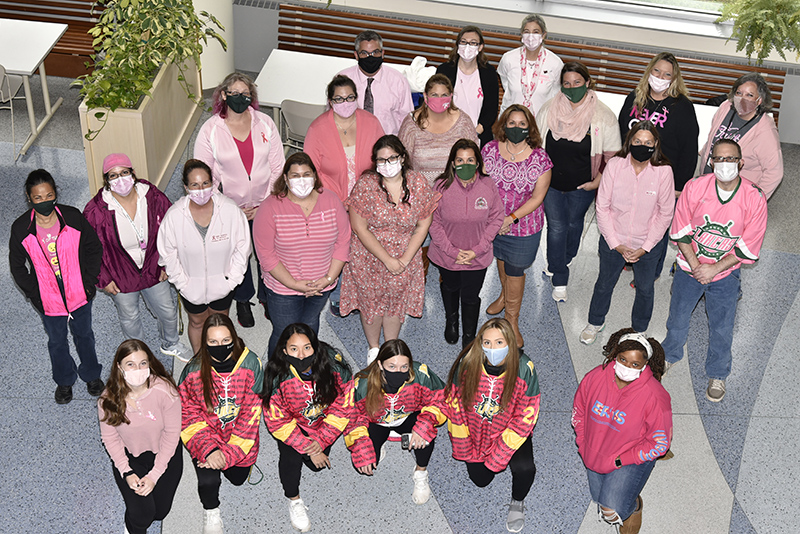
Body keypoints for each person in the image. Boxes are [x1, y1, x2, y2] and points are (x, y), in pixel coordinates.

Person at [661, 139, 767, 402]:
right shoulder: (695, 187)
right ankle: (669, 355)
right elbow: (680, 231)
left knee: (722, 326)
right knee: (677, 318)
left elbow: (748, 246)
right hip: (690, 269)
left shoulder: (754, 198)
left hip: (725, 274)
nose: (724, 164)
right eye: (719, 159)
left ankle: (718, 373)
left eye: (731, 159)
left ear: (741, 163)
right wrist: (698, 267)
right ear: (711, 162)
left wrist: (714, 269)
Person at [194, 72, 285, 328]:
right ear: (223, 95)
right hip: (230, 207)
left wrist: (265, 203)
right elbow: (203, 176)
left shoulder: (265, 123)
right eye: (234, 93)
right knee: (238, 256)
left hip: (266, 204)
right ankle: (243, 299)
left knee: (267, 252)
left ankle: (268, 296)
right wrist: (230, 207)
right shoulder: (210, 129)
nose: (240, 98)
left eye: (245, 94)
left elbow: (278, 167)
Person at [339, 135, 440, 364]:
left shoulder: (418, 183)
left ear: (402, 158)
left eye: (392, 158)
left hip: (405, 254)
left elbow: (424, 223)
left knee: (395, 305)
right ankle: (374, 348)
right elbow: (359, 227)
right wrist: (387, 259)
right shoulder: (366, 185)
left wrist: (404, 259)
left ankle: (390, 347)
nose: (386, 164)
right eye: (381, 160)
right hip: (368, 256)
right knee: (371, 304)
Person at [9, 169, 104, 404]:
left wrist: (89, 282)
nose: (44, 202)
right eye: (38, 198)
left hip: (79, 294)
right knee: (57, 342)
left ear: (55, 194)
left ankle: (91, 375)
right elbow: (17, 266)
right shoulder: (21, 228)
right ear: (29, 198)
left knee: (85, 336)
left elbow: (94, 248)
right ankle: (64, 380)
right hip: (48, 300)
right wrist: (35, 295)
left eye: (49, 195)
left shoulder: (72, 217)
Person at [84, 153, 190, 362]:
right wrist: (103, 280)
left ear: (133, 174)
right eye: (113, 176)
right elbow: (88, 251)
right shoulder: (95, 211)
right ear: (106, 180)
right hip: (119, 275)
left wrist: (167, 265)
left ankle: (171, 342)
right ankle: (137, 351)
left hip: (153, 267)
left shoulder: (153, 197)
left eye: (124, 172)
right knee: (130, 317)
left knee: (167, 310)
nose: (120, 179)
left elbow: (172, 231)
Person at [437, 318, 540, 533]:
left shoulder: (524, 368)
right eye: (487, 343)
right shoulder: (468, 362)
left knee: (525, 469)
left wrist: (500, 453)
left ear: (510, 343)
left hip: (509, 430)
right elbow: (454, 405)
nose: (493, 349)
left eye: (499, 342)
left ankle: (517, 502)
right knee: (481, 480)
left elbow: (526, 416)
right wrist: (463, 444)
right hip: (475, 432)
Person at [580, 122, 675, 345]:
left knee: (645, 288)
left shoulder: (663, 172)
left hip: (648, 244)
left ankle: (639, 330)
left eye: (648, 143)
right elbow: (602, 206)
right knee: (604, 283)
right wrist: (615, 243)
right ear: (629, 142)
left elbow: (665, 213)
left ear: (656, 144)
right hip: (614, 240)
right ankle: (595, 322)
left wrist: (645, 247)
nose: (643, 146)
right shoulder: (614, 165)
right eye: (637, 141)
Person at [536, 62, 621, 302]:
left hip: (583, 186)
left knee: (574, 225)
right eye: (566, 84)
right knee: (557, 227)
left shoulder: (603, 116)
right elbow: (536, 144)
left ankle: (564, 256)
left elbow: (613, 157)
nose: (571, 88)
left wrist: (598, 182)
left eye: (577, 83)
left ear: (587, 82)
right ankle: (559, 277)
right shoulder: (548, 109)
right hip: (550, 184)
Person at [572, 329, 672, 534]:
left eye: (635, 364)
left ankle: (633, 507)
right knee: (599, 498)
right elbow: (579, 411)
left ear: (645, 365)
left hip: (629, 456)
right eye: (622, 359)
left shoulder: (655, 396)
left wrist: (621, 460)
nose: (627, 367)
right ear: (614, 355)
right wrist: (583, 442)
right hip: (595, 450)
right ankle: (622, 493)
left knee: (613, 508)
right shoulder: (594, 377)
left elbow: (659, 443)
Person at [252, 152, 351, 359]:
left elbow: (343, 242)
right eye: (295, 175)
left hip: (321, 285)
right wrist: (295, 284)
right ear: (285, 179)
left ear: (315, 176)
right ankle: (277, 376)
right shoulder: (269, 208)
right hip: (283, 289)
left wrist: (327, 279)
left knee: (309, 327)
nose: (301, 180)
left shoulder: (331, 201)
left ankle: (306, 371)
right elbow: (266, 255)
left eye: (306, 174)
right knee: (284, 333)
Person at [303, 74, 384, 316]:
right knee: (338, 247)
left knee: (364, 247)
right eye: (339, 99)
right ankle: (338, 295)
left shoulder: (371, 122)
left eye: (350, 97)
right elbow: (310, 171)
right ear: (330, 101)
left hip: (367, 198)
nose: (345, 102)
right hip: (330, 200)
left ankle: (362, 292)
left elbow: (383, 158)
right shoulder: (317, 129)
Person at [178, 313, 263, 534]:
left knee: (237, 480)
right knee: (208, 483)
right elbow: (187, 415)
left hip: (240, 438)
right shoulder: (193, 371)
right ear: (204, 344)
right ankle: (211, 511)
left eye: (226, 341)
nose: (220, 347)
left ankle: (238, 463)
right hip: (207, 436)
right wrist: (210, 450)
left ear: (234, 338)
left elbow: (250, 417)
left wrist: (228, 454)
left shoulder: (252, 364)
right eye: (213, 342)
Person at [263, 323, 352, 532]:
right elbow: (277, 422)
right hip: (293, 425)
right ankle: (294, 499)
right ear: (284, 351)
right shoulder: (277, 376)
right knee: (291, 458)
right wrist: (308, 446)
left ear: (316, 347)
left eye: (307, 347)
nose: (301, 355)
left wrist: (320, 441)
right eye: (294, 349)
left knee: (315, 466)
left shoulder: (335, 367)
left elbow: (343, 407)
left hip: (323, 424)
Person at [157, 159, 251, 354]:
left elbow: (242, 249)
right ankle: (200, 360)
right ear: (186, 187)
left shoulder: (230, 211)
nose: (201, 189)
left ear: (212, 183)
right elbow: (168, 254)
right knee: (197, 321)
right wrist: (183, 283)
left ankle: (222, 358)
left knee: (220, 321)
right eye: (194, 185)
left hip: (223, 284)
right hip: (191, 286)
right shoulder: (174, 216)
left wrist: (231, 281)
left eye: (205, 183)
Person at [482, 104, 552, 348]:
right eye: (511, 123)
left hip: (523, 226)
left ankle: (512, 318)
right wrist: (493, 218)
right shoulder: (489, 150)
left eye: (522, 124)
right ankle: (503, 295)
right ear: (503, 124)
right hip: (492, 222)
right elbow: (481, 185)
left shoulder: (540, 158)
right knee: (500, 259)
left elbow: (537, 197)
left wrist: (509, 219)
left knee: (515, 269)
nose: (516, 128)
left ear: (530, 128)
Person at [343, 339, 445, 504]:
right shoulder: (362, 383)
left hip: (408, 416)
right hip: (377, 422)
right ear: (380, 365)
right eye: (392, 366)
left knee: (426, 439)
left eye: (404, 367)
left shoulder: (420, 374)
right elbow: (351, 417)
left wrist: (424, 425)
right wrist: (361, 444)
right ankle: (380, 441)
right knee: (364, 462)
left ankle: (420, 472)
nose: (398, 372)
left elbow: (441, 399)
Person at [98, 339, 183, 534]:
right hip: (130, 456)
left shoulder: (166, 392)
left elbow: (172, 435)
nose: (138, 369)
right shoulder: (107, 400)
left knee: (160, 512)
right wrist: (126, 472)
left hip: (163, 453)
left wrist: (154, 475)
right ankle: (131, 526)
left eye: (143, 363)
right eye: (131, 364)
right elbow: (110, 439)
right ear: (119, 367)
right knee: (142, 515)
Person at [429, 139, 504, 348]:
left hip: (477, 257)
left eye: (470, 159)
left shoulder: (488, 185)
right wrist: (452, 252)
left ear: (478, 163)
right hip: (447, 255)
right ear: (452, 163)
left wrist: (476, 250)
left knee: (471, 295)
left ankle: (469, 334)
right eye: (460, 160)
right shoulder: (441, 186)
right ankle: (451, 321)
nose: (465, 164)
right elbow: (433, 223)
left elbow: (497, 218)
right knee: (451, 287)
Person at [618, 52, 699, 195]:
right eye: (657, 71)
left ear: (674, 79)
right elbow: (620, 133)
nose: (660, 77)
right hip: (630, 173)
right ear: (649, 70)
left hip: (662, 179)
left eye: (667, 74)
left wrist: (679, 186)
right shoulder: (634, 98)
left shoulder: (682, 107)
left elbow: (689, 151)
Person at [699, 72, 783, 199]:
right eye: (739, 93)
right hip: (708, 178)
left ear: (759, 100)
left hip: (736, 192)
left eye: (749, 95)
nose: (742, 99)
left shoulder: (765, 132)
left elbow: (775, 172)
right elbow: (714, 134)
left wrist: (755, 200)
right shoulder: (726, 107)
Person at [398, 73, 479, 185]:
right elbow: (402, 164)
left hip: (455, 190)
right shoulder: (411, 124)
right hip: (419, 192)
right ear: (425, 97)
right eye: (434, 95)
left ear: (451, 96)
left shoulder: (463, 123)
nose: (439, 99)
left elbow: (474, 161)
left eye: (444, 95)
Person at [338, 30, 414, 136]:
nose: (370, 57)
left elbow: (407, 122)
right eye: (364, 53)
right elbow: (332, 116)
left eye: (375, 52)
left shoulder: (398, 81)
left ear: (382, 53)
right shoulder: (342, 80)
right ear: (356, 55)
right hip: (349, 140)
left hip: (387, 144)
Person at [436, 25, 500, 147]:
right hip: (447, 133)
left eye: (473, 43)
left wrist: (475, 132)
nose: (467, 46)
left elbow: (491, 110)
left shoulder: (489, 73)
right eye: (464, 42)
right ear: (458, 45)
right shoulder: (444, 70)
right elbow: (438, 104)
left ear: (480, 47)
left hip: (478, 134)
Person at [497, 14, 563, 116]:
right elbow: (505, 82)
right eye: (526, 32)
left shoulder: (555, 62)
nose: (531, 36)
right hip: (511, 119)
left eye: (536, 32)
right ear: (522, 34)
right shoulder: (508, 58)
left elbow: (556, 91)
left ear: (543, 35)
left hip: (541, 121)